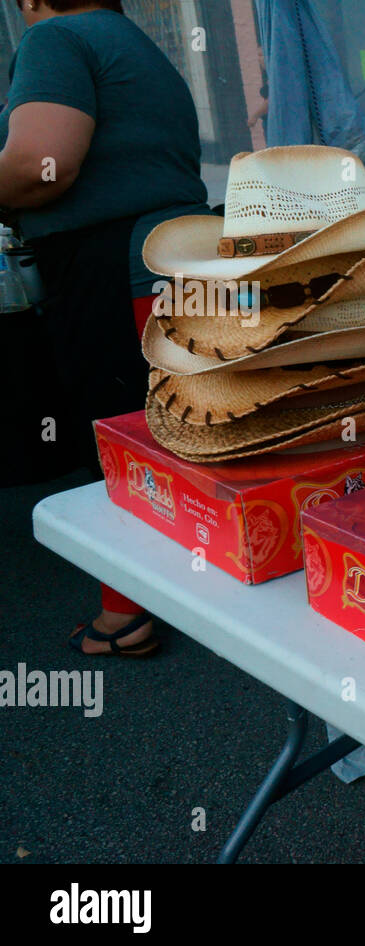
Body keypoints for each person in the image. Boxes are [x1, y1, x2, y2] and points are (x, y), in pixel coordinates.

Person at [0, 0, 214, 656]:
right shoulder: (143, 49)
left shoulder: (55, 38)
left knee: (119, 437)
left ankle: (126, 614)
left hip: (111, 265)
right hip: (178, 255)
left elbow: (45, 160)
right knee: (179, 428)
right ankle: (201, 578)